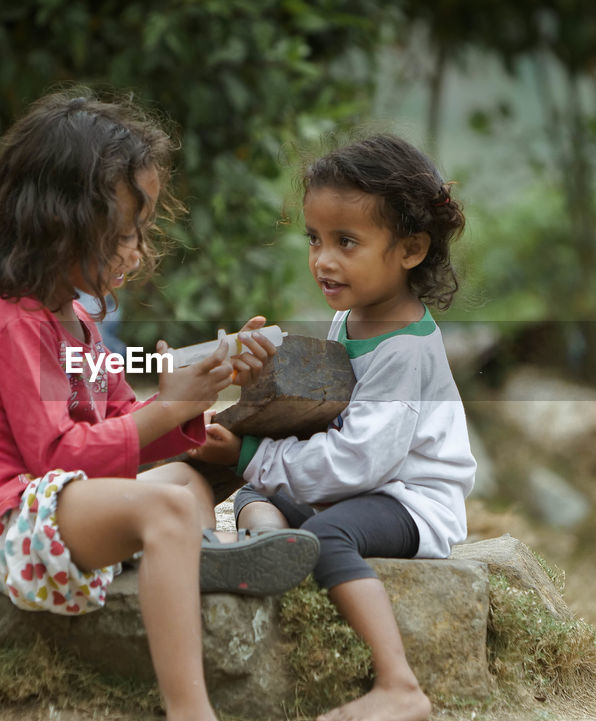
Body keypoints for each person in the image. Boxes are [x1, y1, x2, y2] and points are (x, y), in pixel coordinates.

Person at [0, 89, 318, 721]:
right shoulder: (11, 327)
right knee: (166, 505)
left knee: (189, 474)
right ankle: (191, 710)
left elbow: (119, 427)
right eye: (122, 234)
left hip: (60, 503)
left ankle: (203, 556)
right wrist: (166, 409)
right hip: (6, 519)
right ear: (58, 222)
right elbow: (53, 454)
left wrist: (200, 386)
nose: (137, 251)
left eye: (140, 233)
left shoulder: (76, 321)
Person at [192, 134, 476, 721]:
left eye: (346, 242)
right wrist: (260, 392)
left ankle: (399, 685)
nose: (323, 260)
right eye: (315, 240)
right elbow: (324, 412)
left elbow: (358, 463)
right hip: (365, 485)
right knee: (254, 491)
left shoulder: (406, 352)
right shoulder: (350, 320)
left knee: (328, 537)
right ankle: (265, 548)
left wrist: (249, 453)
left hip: (410, 498)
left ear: (411, 250)